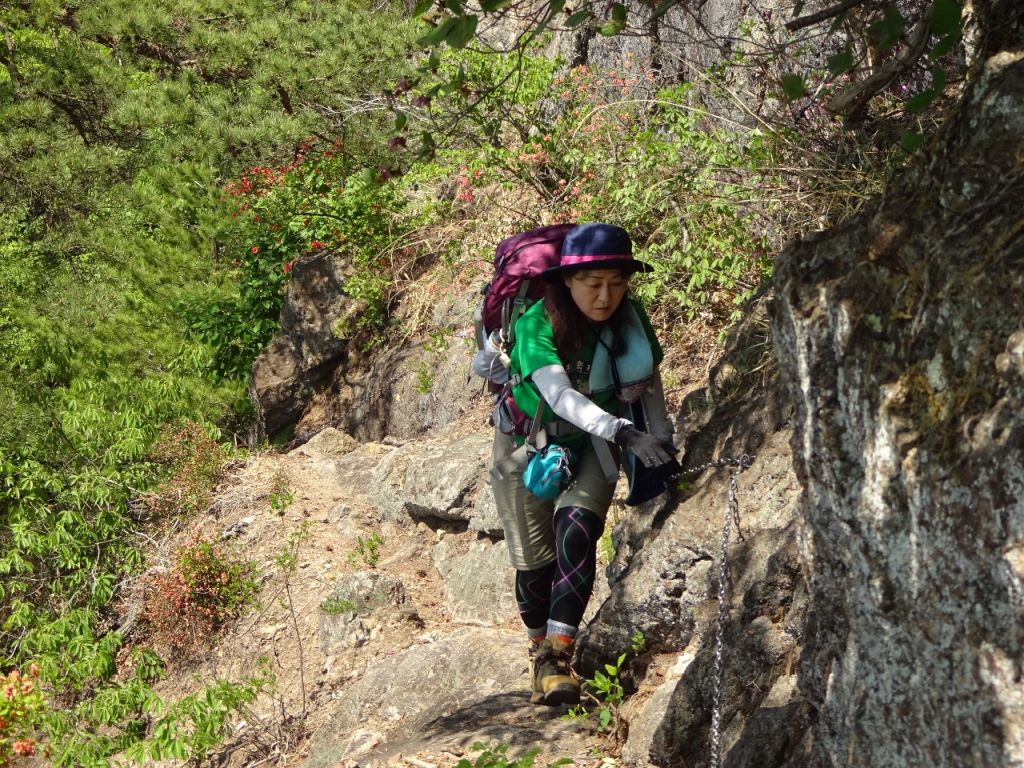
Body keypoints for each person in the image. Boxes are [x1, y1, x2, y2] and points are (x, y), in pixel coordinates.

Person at [488, 222, 675, 706]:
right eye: (593, 284)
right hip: (526, 446)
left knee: (577, 531)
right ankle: (537, 650)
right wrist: (624, 432)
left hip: (592, 448)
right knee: (534, 566)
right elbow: (558, 393)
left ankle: (558, 657)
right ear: (566, 281)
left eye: (617, 282)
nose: (606, 295)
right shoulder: (534, 323)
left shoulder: (630, 319)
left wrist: (661, 447)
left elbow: (648, 385)